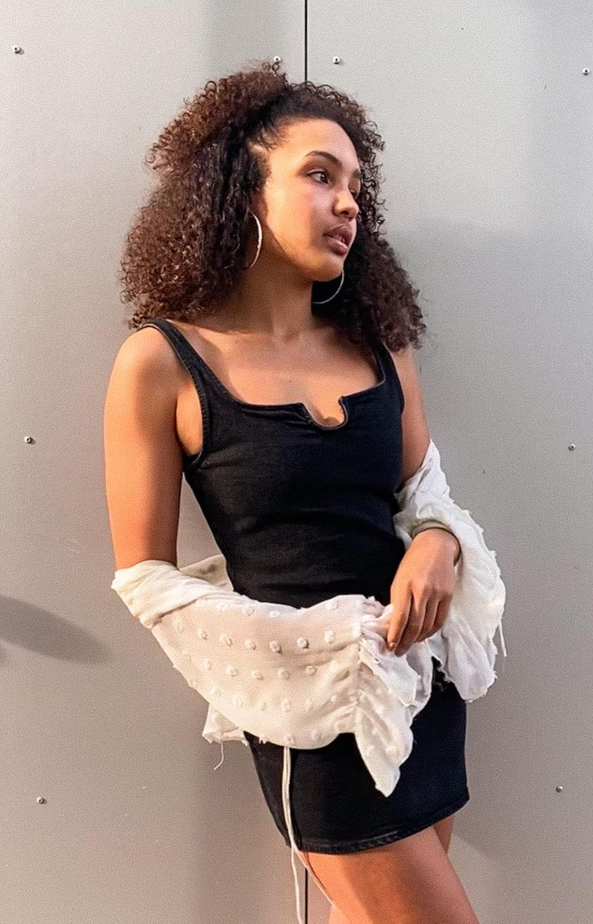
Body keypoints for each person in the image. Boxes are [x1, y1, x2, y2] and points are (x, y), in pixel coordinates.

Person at [104, 60, 479, 924]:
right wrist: (322, 641)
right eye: (319, 175)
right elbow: (147, 581)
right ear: (241, 189)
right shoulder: (163, 363)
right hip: (316, 719)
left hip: (421, 693)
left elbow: (427, 493)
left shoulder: (380, 344)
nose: (348, 203)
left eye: (356, 187)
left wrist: (438, 544)